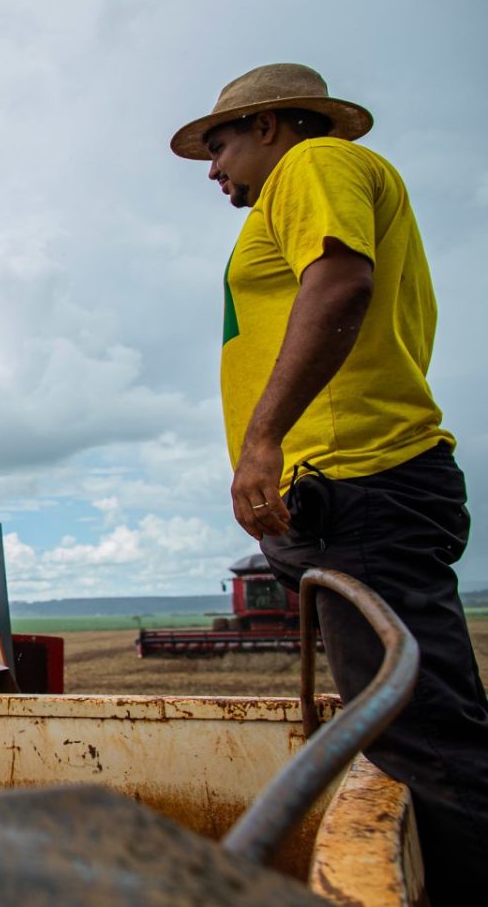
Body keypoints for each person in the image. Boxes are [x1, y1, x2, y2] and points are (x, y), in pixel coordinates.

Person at [171, 62, 488, 902]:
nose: (213, 169)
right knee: (408, 729)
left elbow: (342, 276)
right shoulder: (305, 186)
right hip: (352, 493)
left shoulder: (314, 165)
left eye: (220, 144)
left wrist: (264, 438)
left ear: (273, 126)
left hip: (357, 485)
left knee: (423, 739)